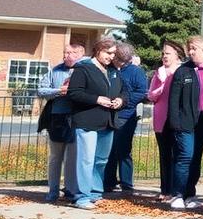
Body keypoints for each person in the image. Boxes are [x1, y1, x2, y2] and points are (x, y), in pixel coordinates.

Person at [67, 38, 124, 209]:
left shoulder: (112, 71)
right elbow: (74, 93)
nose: (111, 56)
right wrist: (96, 99)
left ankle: (95, 192)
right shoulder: (83, 68)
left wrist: (121, 100)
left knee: (101, 160)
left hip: (107, 122)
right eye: (108, 53)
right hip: (87, 122)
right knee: (86, 159)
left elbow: (123, 90)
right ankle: (81, 196)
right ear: (98, 50)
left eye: (113, 53)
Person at [166, 36, 203, 210]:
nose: (191, 52)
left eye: (195, 48)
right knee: (185, 156)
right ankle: (177, 194)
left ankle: (190, 194)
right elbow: (173, 100)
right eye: (190, 48)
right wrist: (175, 123)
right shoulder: (183, 71)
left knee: (195, 159)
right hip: (185, 122)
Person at [38, 43, 83, 203]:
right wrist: (58, 91)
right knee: (55, 157)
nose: (66, 56)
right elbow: (41, 90)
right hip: (57, 117)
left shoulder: (84, 70)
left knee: (72, 157)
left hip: (76, 118)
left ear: (80, 54)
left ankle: (70, 191)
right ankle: (53, 191)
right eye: (65, 52)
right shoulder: (55, 71)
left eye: (70, 53)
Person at [104, 42, 148, 194]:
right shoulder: (110, 70)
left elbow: (141, 91)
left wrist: (124, 102)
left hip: (126, 115)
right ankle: (108, 181)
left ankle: (126, 183)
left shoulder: (136, 72)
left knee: (123, 149)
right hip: (109, 114)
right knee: (109, 149)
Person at [147, 40, 184, 201]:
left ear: (177, 55)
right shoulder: (159, 72)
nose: (164, 56)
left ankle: (177, 190)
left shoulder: (183, 71)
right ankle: (165, 189)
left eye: (167, 53)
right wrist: (162, 83)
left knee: (178, 155)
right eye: (163, 53)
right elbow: (151, 95)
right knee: (165, 155)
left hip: (177, 119)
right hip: (161, 119)